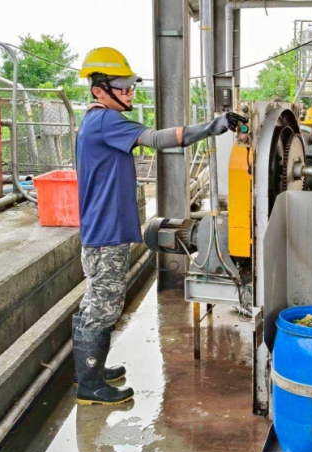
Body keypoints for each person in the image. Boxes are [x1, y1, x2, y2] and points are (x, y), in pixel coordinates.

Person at [73, 47, 246, 405]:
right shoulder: (105, 120)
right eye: (121, 85)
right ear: (98, 89)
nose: (130, 92)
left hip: (102, 229)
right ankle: (89, 385)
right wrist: (211, 127)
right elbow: (157, 139)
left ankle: (92, 369)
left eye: (132, 84)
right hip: (106, 233)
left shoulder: (95, 121)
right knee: (103, 304)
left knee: (98, 300)